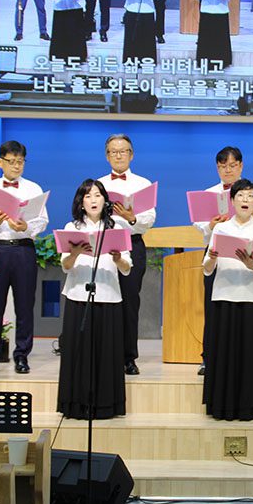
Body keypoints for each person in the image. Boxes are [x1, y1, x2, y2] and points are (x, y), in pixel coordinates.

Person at [193, 147, 253, 375]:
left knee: (247, 305)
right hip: (217, 252)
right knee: (214, 305)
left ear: (240, 166)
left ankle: (248, 357)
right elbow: (199, 225)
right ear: (217, 168)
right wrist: (211, 225)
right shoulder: (209, 193)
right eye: (223, 166)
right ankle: (209, 357)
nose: (227, 170)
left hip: (249, 253)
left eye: (232, 166)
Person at [57, 179, 132, 420]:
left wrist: (118, 258)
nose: (93, 200)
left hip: (108, 296)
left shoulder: (116, 227)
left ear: (105, 200)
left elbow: (127, 268)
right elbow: (66, 266)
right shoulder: (72, 227)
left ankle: (106, 405)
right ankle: (77, 404)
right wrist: (75, 253)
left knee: (106, 354)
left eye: (98, 195)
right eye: (88, 196)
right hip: (79, 296)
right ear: (81, 202)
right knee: (79, 352)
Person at [202, 179, 253, 420]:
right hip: (224, 296)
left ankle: (252, 404)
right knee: (224, 353)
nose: (245, 200)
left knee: (251, 354)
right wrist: (212, 257)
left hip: (252, 297)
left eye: (250, 196)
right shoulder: (221, 229)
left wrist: (251, 264)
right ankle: (221, 404)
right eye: (241, 195)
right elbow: (207, 269)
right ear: (232, 201)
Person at [0, 141, 49, 375]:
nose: (16, 166)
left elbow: (42, 221)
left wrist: (26, 227)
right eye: (12, 161)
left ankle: (22, 355)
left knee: (25, 305)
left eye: (20, 162)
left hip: (23, 249)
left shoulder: (33, 188)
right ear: (0, 162)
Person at [98, 135, 156, 376]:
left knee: (130, 302)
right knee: (102, 299)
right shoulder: (98, 185)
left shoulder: (142, 184)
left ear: (131, 155)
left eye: (123, 151)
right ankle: (104, 355)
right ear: (107, 156)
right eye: (113, 151)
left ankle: (129, 357)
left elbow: (149, 219)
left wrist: (132, 217)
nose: (118, 155)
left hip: (132, 243)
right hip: (104, 246)